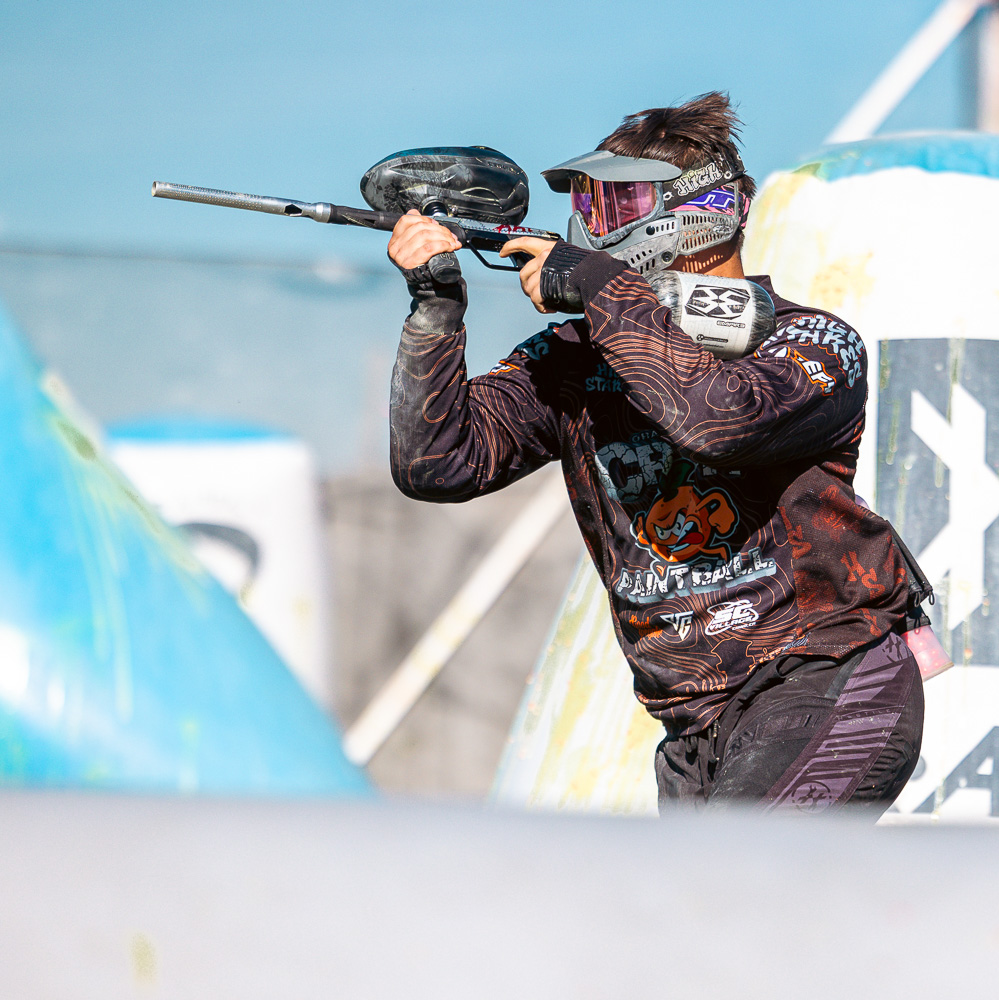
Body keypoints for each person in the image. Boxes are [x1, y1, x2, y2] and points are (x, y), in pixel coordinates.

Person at [385, 92, 926, 814]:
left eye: (616, 204)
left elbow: (720, 422)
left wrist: (599, 285)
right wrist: (435, 307)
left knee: (729, 875)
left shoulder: (812, 343)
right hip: (691, 724)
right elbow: (439, 463)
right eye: (586, 204)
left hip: (831, 676)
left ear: (704, 212)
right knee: (695, 891)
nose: (590, 227)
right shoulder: (572, 360)